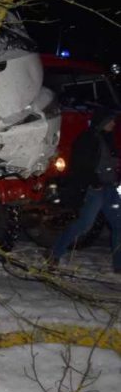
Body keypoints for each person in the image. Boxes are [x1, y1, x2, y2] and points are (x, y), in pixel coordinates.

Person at [51, 107, 121, 272]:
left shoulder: (108, 138)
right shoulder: (87, 139)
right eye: (110, 120)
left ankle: (119, 265)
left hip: (109, 188)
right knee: (83, 225)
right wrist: (93, 181)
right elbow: (80, 166)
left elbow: (111, 162)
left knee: (119, 225)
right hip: (95, 189)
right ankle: (54, 253)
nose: (113, 123)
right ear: (102, 121)